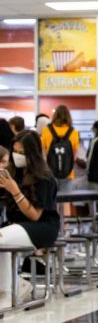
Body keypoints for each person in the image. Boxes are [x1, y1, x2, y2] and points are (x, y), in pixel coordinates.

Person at [0, 130, 60, 305]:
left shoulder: (44, 179)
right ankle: (17, 285)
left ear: (32, 154)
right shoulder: (14, 173)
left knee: (2, 240)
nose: (17, 156)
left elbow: (35, 215)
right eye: (15, 152)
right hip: (17, 225)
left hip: (43, 227)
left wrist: (15, 191)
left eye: (22, 152)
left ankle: (7, 292)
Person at [40, 105, 79, 193]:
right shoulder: (73, 132)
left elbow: (43, 152)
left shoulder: (46, 130)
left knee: (53, 201)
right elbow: (74, 156)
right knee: (66, 202)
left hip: (50, 171)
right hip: (68, 172)